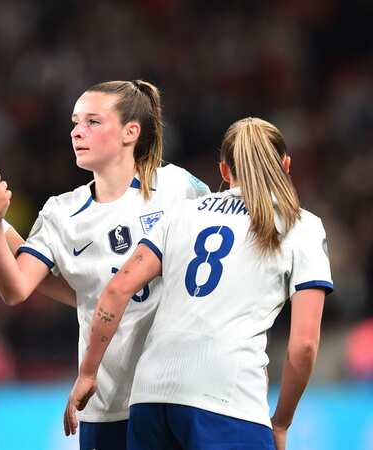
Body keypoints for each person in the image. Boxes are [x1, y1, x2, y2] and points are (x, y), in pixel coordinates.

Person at [65, 117, 332, 450]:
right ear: (286, 165)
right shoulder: (301, 226)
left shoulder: (181, 214)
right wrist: (281, 422)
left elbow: (117, 289)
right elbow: (304, 344)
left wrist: (88, 372)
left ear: (223, 170)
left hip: (151, 396)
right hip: (227, 398)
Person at [0, 80, 210, 450]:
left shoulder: (178, 188)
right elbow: (16, 288)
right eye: (74, 122)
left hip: (178, 393)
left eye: (92, 122)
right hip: (106, 403)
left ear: (130, 132)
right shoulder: (62, 212)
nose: (77, 132)